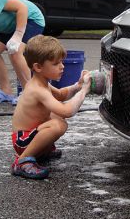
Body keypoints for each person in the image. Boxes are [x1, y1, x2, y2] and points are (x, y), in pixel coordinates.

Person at [11, 34, 91, 180]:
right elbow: (68, 111)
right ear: (38, 67)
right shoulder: (38, 89)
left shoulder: (42, 83)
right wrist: (84, 90)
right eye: (56, 64)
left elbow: (60, 95)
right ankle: (22, 161)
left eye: (61, 62)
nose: (62, 67)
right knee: (58, 124)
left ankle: (43, 150)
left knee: (55, 116)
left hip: (29, 136)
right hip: (22, 141)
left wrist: (77, 86)